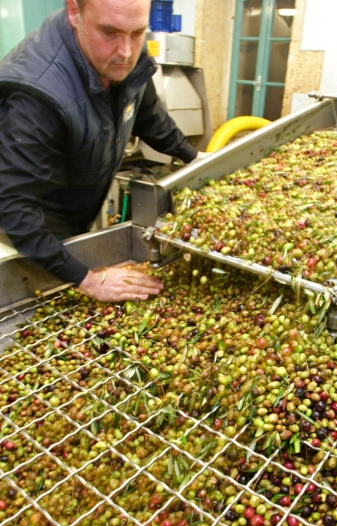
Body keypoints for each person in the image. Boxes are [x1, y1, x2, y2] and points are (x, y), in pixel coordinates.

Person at [0, 0, 204, 302]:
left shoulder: (124, 53)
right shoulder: (37, 92)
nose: (125, 51)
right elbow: (13, 207)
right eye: (109, 32)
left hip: (78, 214)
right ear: (74, 11)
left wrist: (194, 158)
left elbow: (147, 113)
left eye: (137, 33)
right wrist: (90, 280)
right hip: (32, 230)